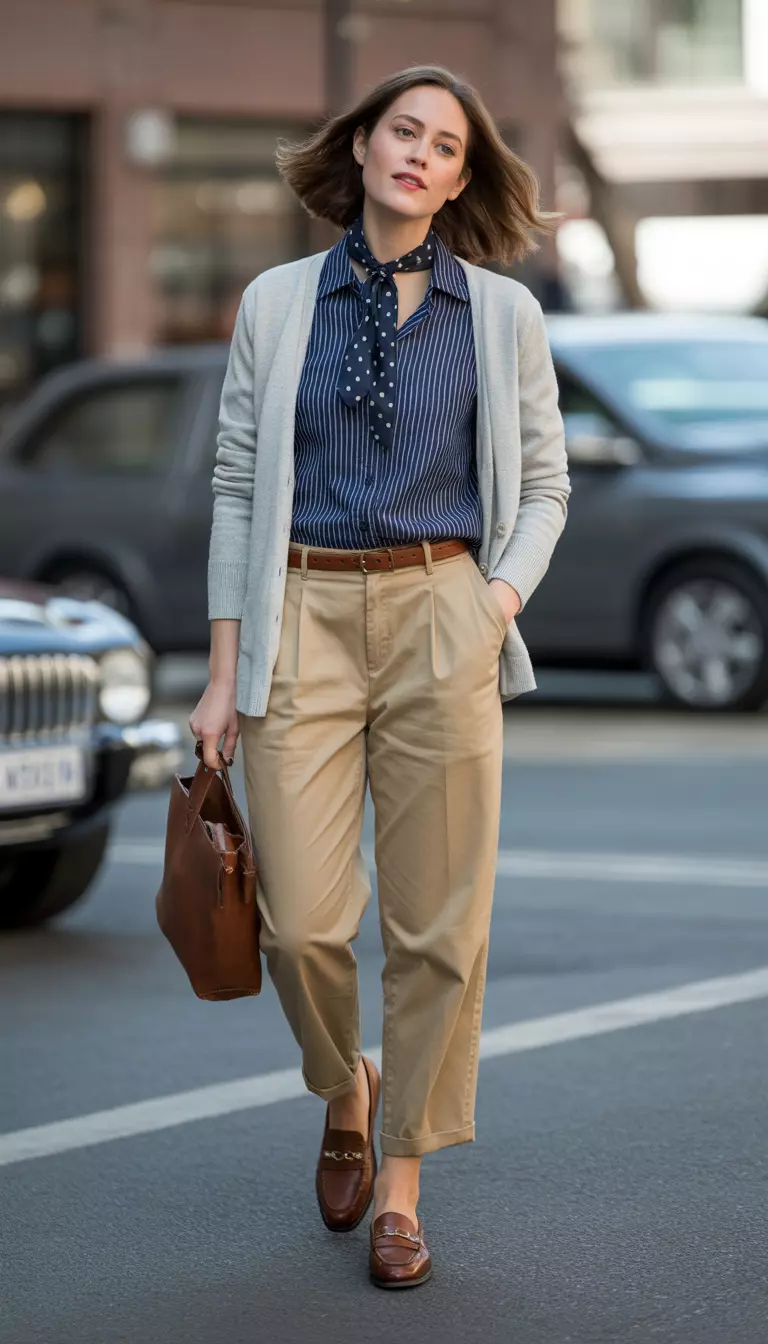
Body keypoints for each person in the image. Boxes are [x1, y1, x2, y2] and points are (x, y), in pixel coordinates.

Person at [190, 62, 570, 1290]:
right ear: (359, 149)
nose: (419, 153)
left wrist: (491, 600)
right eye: (401, 130)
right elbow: (239, 482)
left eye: (446, 144)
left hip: (439, 607)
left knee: (439, 930)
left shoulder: (503, 315)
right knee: (301, 924)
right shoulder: (276, 301)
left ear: (464, 177)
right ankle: (342, 1081)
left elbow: (548, 485)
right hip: (298, 610)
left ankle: (401, 1179)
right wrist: (219, 672)